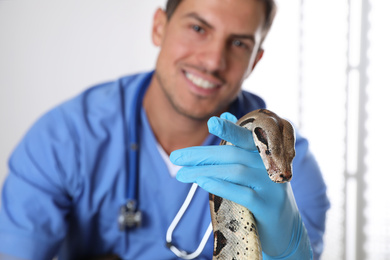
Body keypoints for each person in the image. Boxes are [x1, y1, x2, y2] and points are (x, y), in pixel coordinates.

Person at [0, 0, 330, 259]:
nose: (213, 61)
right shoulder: (63, 138)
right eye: (199, 28)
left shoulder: (288, 167)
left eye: (239, 43)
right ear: (159, 27)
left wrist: (286, 253)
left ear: (255, 60)